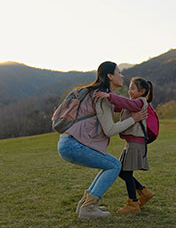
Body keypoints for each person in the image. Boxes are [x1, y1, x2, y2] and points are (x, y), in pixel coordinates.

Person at [57, 61, 147, 219]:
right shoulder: (101, 97)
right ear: (110, 76)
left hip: (67, 143)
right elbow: (110, 130)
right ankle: (89, 207)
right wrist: (134, 119)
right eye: (118, 72)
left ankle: (85, 204)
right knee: (114, 165)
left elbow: (120, 105)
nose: (122, 75)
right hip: (73, 145)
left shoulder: (97, 93)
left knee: (107, 164)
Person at [95, 77, 155, 214]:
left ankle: (133, 203)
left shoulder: (140, 102)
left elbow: (125, 103)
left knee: (126, 173)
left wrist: (110, 96)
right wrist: (105, 101)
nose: (129, 91)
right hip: (131, 144)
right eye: (129, 89)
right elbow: (119, 106)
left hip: (135, 144)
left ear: (142, 91)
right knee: (122, 171)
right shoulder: (133, 103)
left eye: (132, 89)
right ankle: (144, 192)